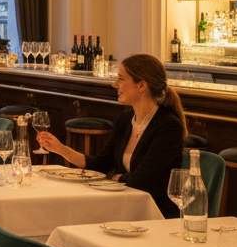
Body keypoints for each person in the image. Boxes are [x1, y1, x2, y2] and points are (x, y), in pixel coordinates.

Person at [36, 53, 185, 217]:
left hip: (154, 212)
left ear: (141, 85)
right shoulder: (126, 118)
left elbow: (143, 179)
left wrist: (119, 179)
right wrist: (61, 149)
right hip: (123, 205)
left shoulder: (168, 126)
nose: (115, 85)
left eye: (121, 79)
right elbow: (100, 164)